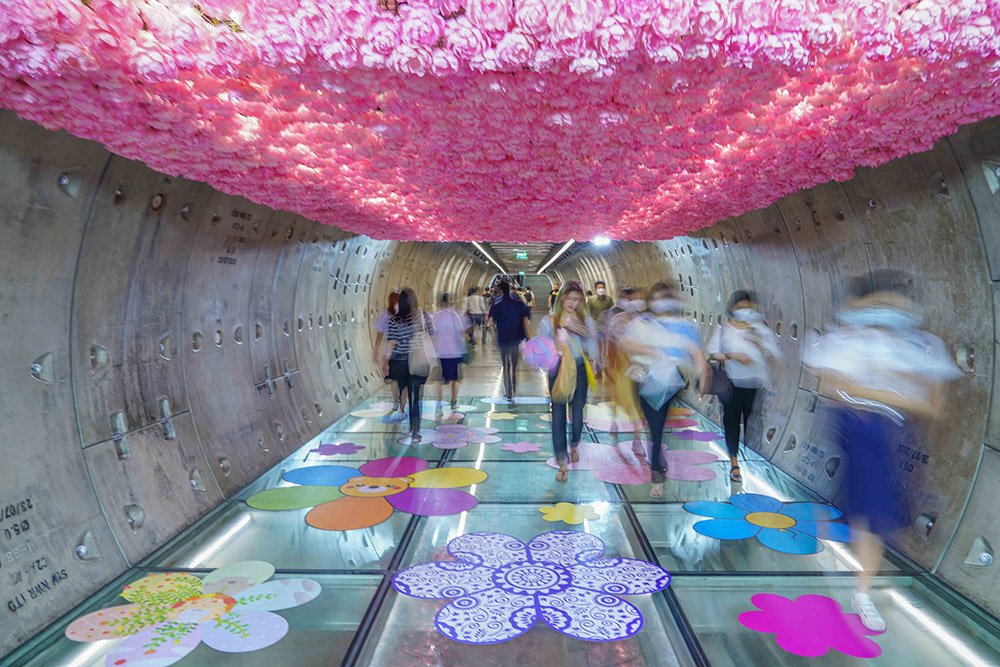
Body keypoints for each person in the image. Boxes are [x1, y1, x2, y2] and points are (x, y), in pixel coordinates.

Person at [802, 271, 961, 633]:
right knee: (868, 512)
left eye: (895, 305)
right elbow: (835, 386)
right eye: (882, 304)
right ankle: (861, 589)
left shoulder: (922, 346)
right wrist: (895, 391)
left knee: (874, 515)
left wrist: (869, 391)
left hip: (892, 431)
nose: (890, 312)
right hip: (857, 428)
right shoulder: (847, 340)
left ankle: (860, 584)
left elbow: (935, 405)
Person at [622, 282, 709, 498]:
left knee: (657, 428)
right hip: (645, 380)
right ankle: (658, 465)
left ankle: (657, 475)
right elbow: (626, 343)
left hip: (670, 383)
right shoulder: (643, 323)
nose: (664, 303)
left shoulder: (683, 326)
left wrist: (703, 377)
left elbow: (696, 352)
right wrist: (650, 351)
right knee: (655, 427)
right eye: (660, 298)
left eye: (667, 297)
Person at [707, 290, 780, 483]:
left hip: (753, 383)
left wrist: (759, 343)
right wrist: (732, 356)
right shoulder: (724, 329)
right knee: (731, 422)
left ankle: (751, 460)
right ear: (732, 309)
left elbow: (775, 352)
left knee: (752, 423)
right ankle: (734, 464)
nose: (745, 311)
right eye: (741, 308)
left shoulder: (760, 329)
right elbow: (713, 352)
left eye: (748, 308)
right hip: (730, 383)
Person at [540, 281, 599, 482]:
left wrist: (582, 332)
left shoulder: (585, 321)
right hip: (556, 371)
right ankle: (562, 462)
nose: (572, 303)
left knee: (577, 413)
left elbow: (593, 345)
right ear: (561, 298)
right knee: (557, 415)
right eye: (569, 298)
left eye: (576, 299)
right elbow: (541, 349)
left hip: (579, 370)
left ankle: (574, 443)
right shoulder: (549, 321)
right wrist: (555, 347)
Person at [384, 287, 435, 442]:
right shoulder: (422, 315)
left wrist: (385, 361)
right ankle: (415, 431)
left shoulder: (394, 320)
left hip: (399, 363)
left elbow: (391, 343)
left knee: (404, 391)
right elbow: (432, 333)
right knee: (416, 396)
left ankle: (402, 410)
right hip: (418, 361)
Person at [488, 280, 532, 405]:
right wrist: (529, 337)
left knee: (505, 365)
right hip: (516, 339)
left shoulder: (496, 304)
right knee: (514, 366)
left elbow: (490, 322)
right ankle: (513, 389)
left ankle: (508, 392)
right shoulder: (518, 303)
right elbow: (525, 320)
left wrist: (494, 329)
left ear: (500, 290)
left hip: (503, 339)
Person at [433, 293, 472, 411]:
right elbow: (461, 331)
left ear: (440, 302)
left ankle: (438, 402)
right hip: (454, 351)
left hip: (441, 351)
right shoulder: (454, 315)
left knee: (440, 379)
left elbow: (434, 332)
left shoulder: (437, 316)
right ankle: (453, 401)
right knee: (455, 378)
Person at [374, 291, 407, 421]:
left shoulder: (384, 315)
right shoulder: (404, 313)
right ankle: (402, 410)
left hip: (391, 351)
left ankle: (395, 402)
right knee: (405, 382)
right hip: (404, 350)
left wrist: (376, 350)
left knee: (394, 380)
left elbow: (380, 335)